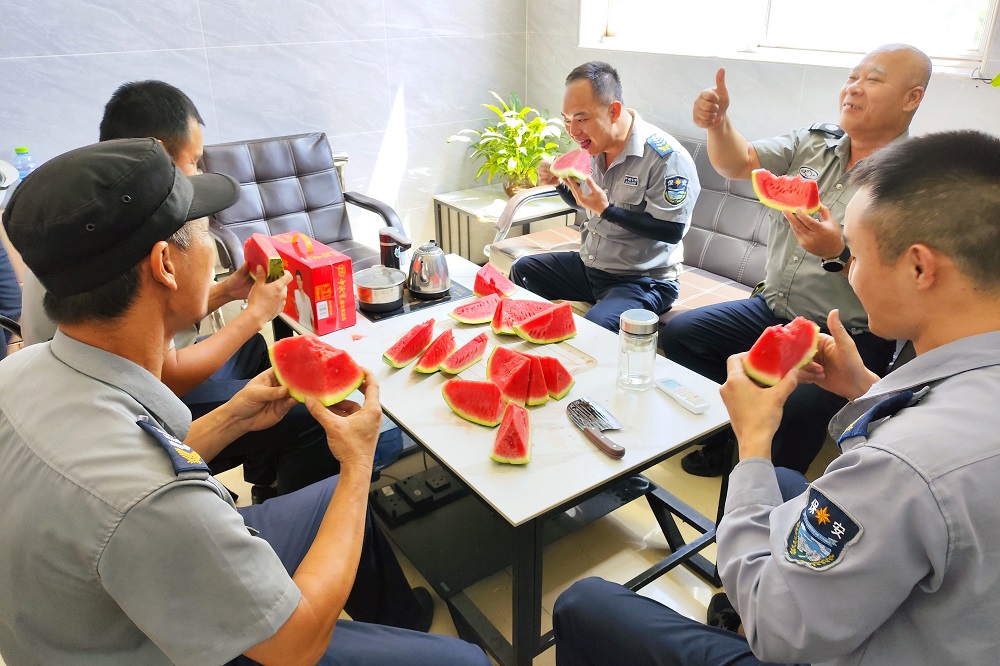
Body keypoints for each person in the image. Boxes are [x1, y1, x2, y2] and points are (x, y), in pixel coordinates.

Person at [0, 138, 489, 665]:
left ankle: (400, 622)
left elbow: (141, 461)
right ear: (165, 264)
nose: (213, 246)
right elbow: (295, 645)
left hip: (120, 595)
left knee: (331, 500)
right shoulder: (153, 501)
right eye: (204, 229)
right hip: (166, 647)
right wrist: (358, 462)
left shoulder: (20, 370)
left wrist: (233, 417)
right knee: (468, 662)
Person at [553, 129, 1000, 665]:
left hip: (813, 642)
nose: (849, 271)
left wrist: (753, 441)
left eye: (855, 256)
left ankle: (734, 599)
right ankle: (733, 599)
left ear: (919, 268)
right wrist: (864, 389)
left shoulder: (900, 466)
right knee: (786, 482)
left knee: (583, 603)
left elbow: (780, 630)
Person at [18, 80, 351, 498]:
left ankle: (265, 474)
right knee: (306, 415)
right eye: (194, 161)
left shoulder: (88, 219)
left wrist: (226, 292)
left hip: (89, 382)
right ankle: (296, 505)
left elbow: (152, 315)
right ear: (158, 155)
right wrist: (255, 315)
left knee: (252, 352)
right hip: (131, 406)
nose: (196, 173)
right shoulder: (143, 238)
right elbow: (166, 377)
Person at [665, 44, 931, 477]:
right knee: (682, 334)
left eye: (873, 79)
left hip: (850, 334)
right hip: (772, 307)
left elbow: (909, 287)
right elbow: (739, 162)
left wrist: (839, 253)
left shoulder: (918, 181)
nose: (854, 88)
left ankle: (771, 487)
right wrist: (718, 124)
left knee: (798, 408)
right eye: (852, 77)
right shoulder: (812, 142)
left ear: (911, 98)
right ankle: (726, 438)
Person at [508, 61, 700, 332]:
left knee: (595, 330)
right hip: (591, 267)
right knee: (523, 270)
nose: (573, 132)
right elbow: (584, 202)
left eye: (582, 119)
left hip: (642, 280)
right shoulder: (594, 147)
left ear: (613, 111)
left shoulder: (666, 158)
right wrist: (559, 184)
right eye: (567, 120)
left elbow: (672, 231)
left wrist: (608, 210)